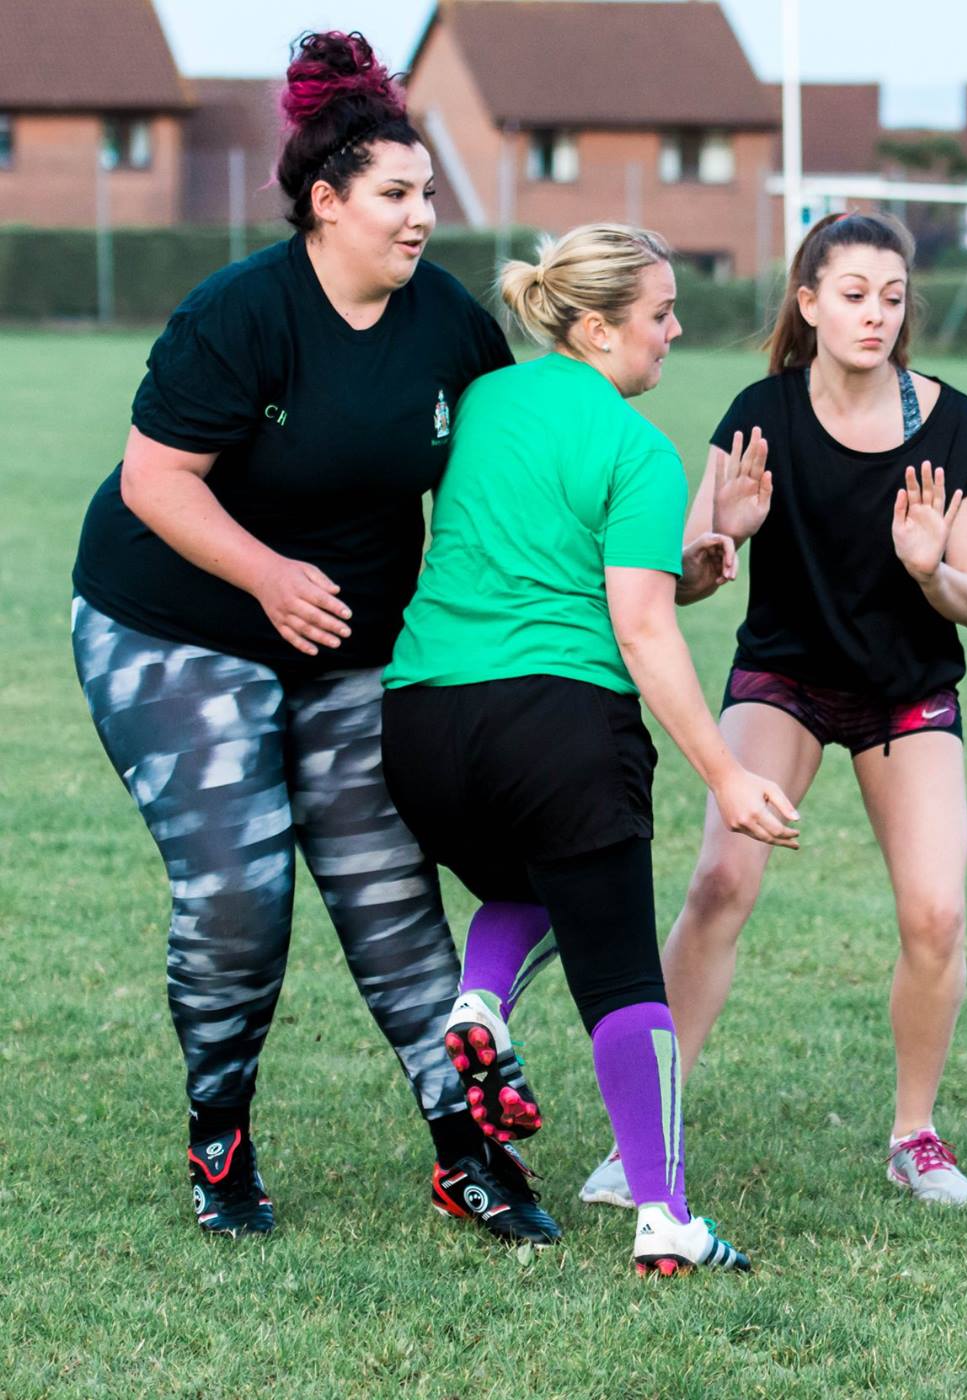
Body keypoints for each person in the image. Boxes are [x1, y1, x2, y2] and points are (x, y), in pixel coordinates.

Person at [68, 31, 515, 1240]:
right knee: (238, 888)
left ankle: (464, 1148)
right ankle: (220, 1140)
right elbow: (155, 481)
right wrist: (268, 577)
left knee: (387, 890)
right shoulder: (238, 314)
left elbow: (486, 488)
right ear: (325, 203)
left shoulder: (449, 325)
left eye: (426, 193)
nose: (422, 217)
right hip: (173, 620)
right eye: (396, 195)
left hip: (347, 642)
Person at [382, 222, 791, 1275]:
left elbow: (578, 563)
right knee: (621, 977)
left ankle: (478, 1000)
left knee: (539, 877)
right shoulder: (636, 449)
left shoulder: (483, 401)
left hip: (422, 724)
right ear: (599, 324)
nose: (675, 329)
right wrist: (725, 772)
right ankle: (665, 1215)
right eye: (660, 312)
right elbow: (639, 627)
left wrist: (711, 550)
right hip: (559, 728)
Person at [577, 212, 967, 1212]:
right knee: (720, 881)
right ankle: (645, 1133)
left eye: (891, 298)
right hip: (785, 680)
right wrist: (720, 538)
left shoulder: (953, 423)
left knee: (935, 915)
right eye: (853, 295)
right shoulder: (759, 411)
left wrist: (928, 567)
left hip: (907, 692)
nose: (875, 315)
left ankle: (914, 1132)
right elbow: (678, 578)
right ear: (807, 303)